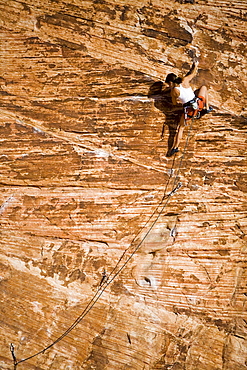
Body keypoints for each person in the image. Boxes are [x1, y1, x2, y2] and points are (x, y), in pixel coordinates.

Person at [165, 61, 213, 156]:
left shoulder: (174, 91)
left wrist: (176, 97)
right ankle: (206, 108)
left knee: (181, 128)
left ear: (171, 82)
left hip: (189, 110)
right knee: (203, 88)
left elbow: (174, 103)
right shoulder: (185, 80)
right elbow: (193, 74)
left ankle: (175, 147)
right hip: (198, 104)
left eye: (168, 84)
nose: (168, 85)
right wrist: (195, 65)